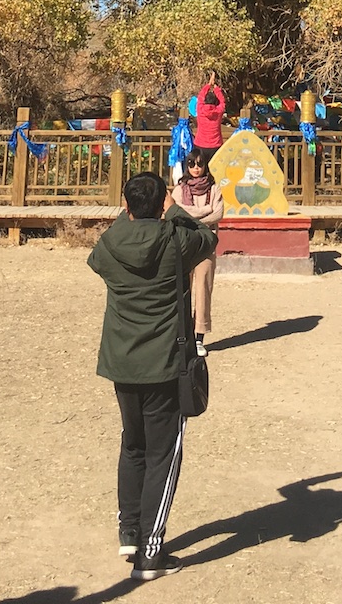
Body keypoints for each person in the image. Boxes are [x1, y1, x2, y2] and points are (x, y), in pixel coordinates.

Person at [88, 170, 217, 581]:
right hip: (164, 362)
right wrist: (173, 209)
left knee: (134, 445)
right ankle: (150, 551)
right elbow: (207, 237)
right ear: (163, 202)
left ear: (126, 206)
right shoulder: (175, 240)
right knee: (163, 454)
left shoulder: (110, 244)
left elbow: (97, 257)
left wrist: (129, 212)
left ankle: (129, 531)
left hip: (122, 362)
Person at [171, 151, 225, 357]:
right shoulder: (179, 189)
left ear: (205, 166)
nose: (196, 168)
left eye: (200, 164)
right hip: (184, 245)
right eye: (192, 164)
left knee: (203, 290)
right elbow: (176, 212)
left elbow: (218, 213)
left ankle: (199, 337)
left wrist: (191, 218)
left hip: (206, 245)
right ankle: (181, 335)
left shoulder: (214, 189)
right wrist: (204, 213)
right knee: (182, 289)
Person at [192, 82, 226, 167]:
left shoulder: (200, 110)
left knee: (201, 168)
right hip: (215, 145)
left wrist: (208, 85)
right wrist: (216, 89)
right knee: (214, 169)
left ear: (205, 101)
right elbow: (222, 101)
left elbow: (200, 97)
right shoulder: (218, 111)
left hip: (200, 144)